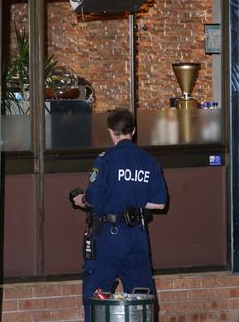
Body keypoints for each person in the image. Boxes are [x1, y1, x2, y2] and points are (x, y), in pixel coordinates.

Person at [72, 108, 167, 322]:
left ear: (110, 132)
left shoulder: (105, 160)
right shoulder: (148, 161)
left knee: (96, 296)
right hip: (137, 236)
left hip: (107, 236)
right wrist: (134, 200)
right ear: (132, 130)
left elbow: (93, 199)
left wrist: (81, 200)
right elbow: (160, 203)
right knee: (142, 296)